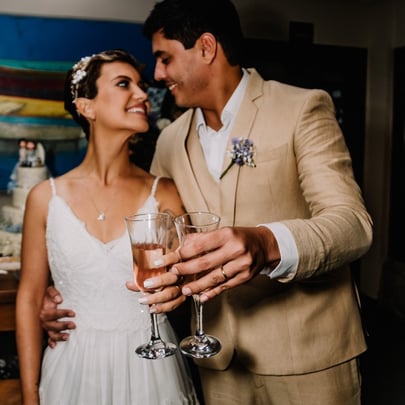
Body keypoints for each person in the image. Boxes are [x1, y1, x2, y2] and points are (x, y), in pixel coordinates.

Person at [40, 1, 373, 404]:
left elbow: (353, 225)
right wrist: (65, 296)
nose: (158, 76)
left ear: (207, 47)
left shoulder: (301, 108)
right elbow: (156, 243)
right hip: (215, 361)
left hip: (308, 356)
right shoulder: (169, 141)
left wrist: (267, 243)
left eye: (165, 58)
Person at [15, 49, 199, 405]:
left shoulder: (164, 194)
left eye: (141, 85)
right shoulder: (44, 197)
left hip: (150, 370)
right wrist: (29, 394)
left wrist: (178, 289)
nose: (142, 94)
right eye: (124, 84)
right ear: (87, 107)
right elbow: (29, 298)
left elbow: (187, 283)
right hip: (71, 368)